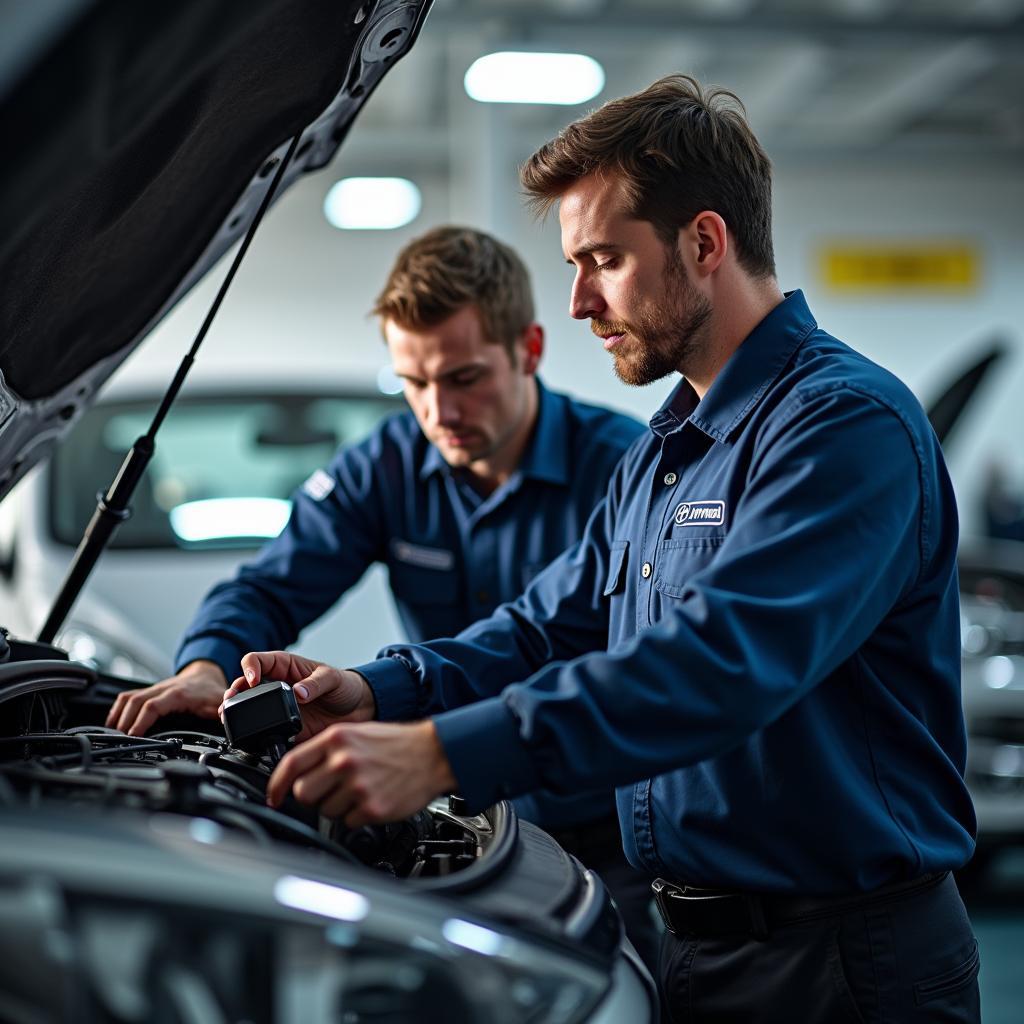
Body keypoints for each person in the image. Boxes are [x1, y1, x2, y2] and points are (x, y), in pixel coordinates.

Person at [221, 78, 980, 1022]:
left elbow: (718, 664)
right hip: (696, 948)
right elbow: (547, 629)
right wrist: (380, 689)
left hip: (845, 966)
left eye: (605, 259)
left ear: (705, 243)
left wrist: (441, 754)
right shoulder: (666, 451)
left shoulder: (841, 428)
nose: (580, 300)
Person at [105, 225, 656, 962]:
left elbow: (613, 661)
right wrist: (208, 664)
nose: (439, 412)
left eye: (464, 378)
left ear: (529, 348)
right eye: (414, 383)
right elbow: (268, 586)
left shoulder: (625, 469)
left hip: (607, 827)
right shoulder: (385, 467)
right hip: (465, 818)